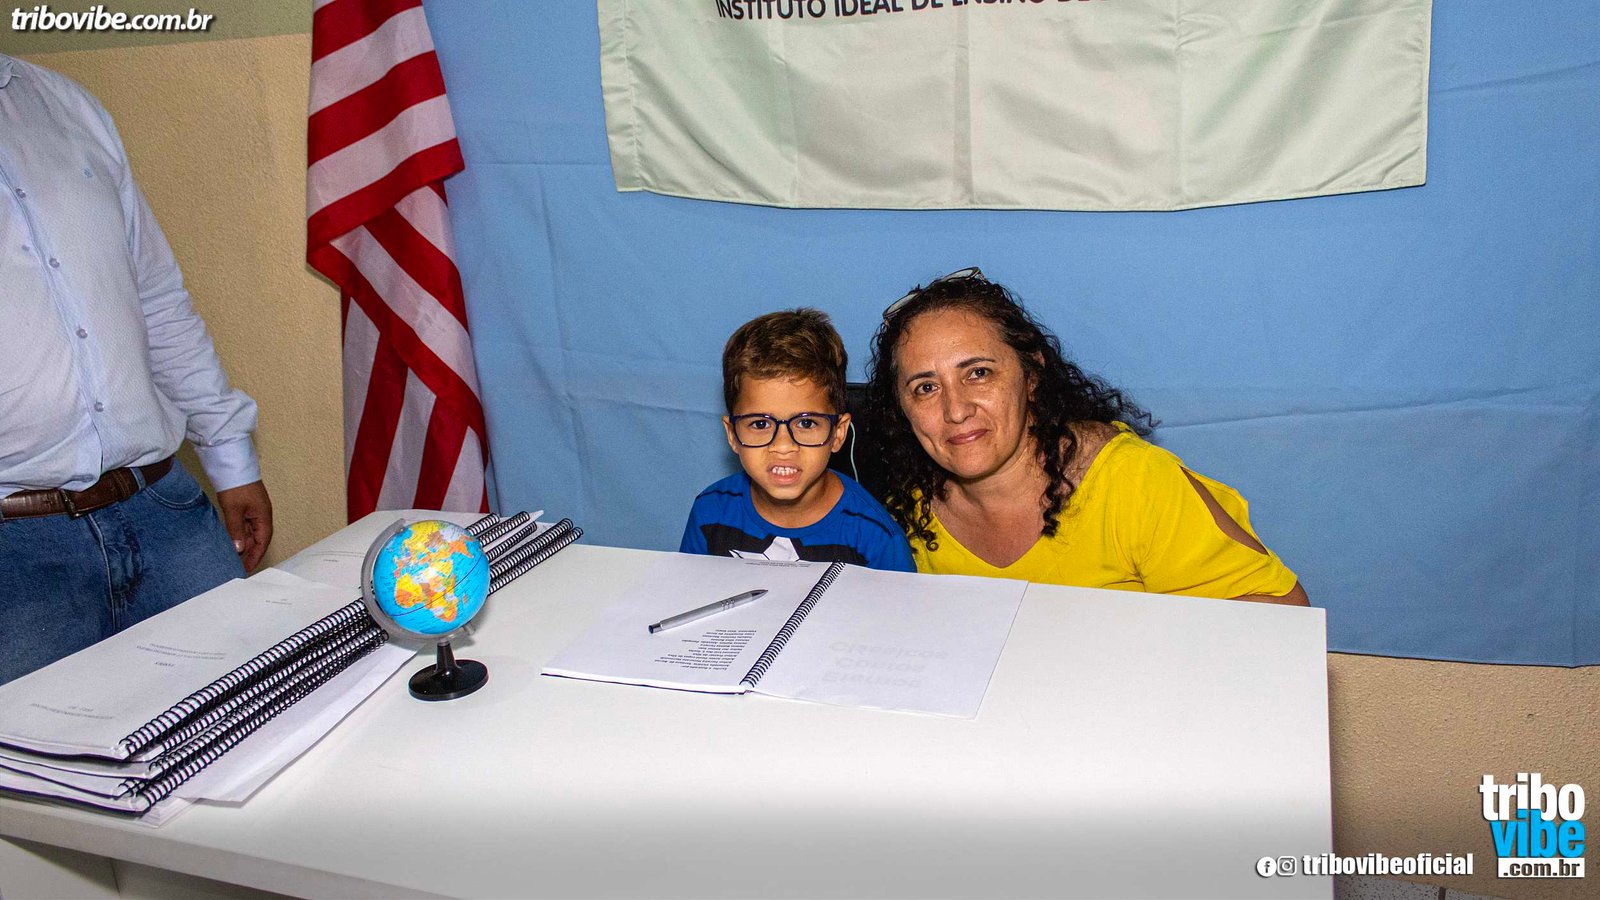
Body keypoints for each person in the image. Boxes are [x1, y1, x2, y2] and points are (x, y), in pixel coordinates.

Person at [0, 54, 274, 685]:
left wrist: (230, 457)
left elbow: (155, 298)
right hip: (17, 560)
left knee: (253, 722)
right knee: (44, 755)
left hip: (163, 513)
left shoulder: (64, 103)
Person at [864, 268, 1308, 604]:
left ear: (1031, 375)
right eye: (925, 387)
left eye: (978, 373)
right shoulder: (907, 507)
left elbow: (1283, 617)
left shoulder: (1132, 483)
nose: (956, 410)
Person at [681, 309, 914, 571]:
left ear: (838, 433)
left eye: (806, 423)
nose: (783, 446)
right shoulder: (708, 512)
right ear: (732, 434)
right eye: (760, 424)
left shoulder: (878, 539)